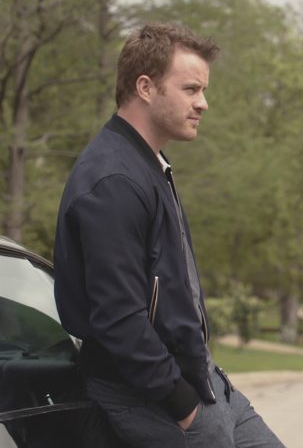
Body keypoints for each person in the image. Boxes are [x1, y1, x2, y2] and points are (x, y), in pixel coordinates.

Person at [53, 23, 284, 447]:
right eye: (191, 89)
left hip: (197, 378)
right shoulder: (114, 181)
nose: (204, 103)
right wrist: (183, 407)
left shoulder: (147, 164)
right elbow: (119, 318)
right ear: (145, 87)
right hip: (152, 396)